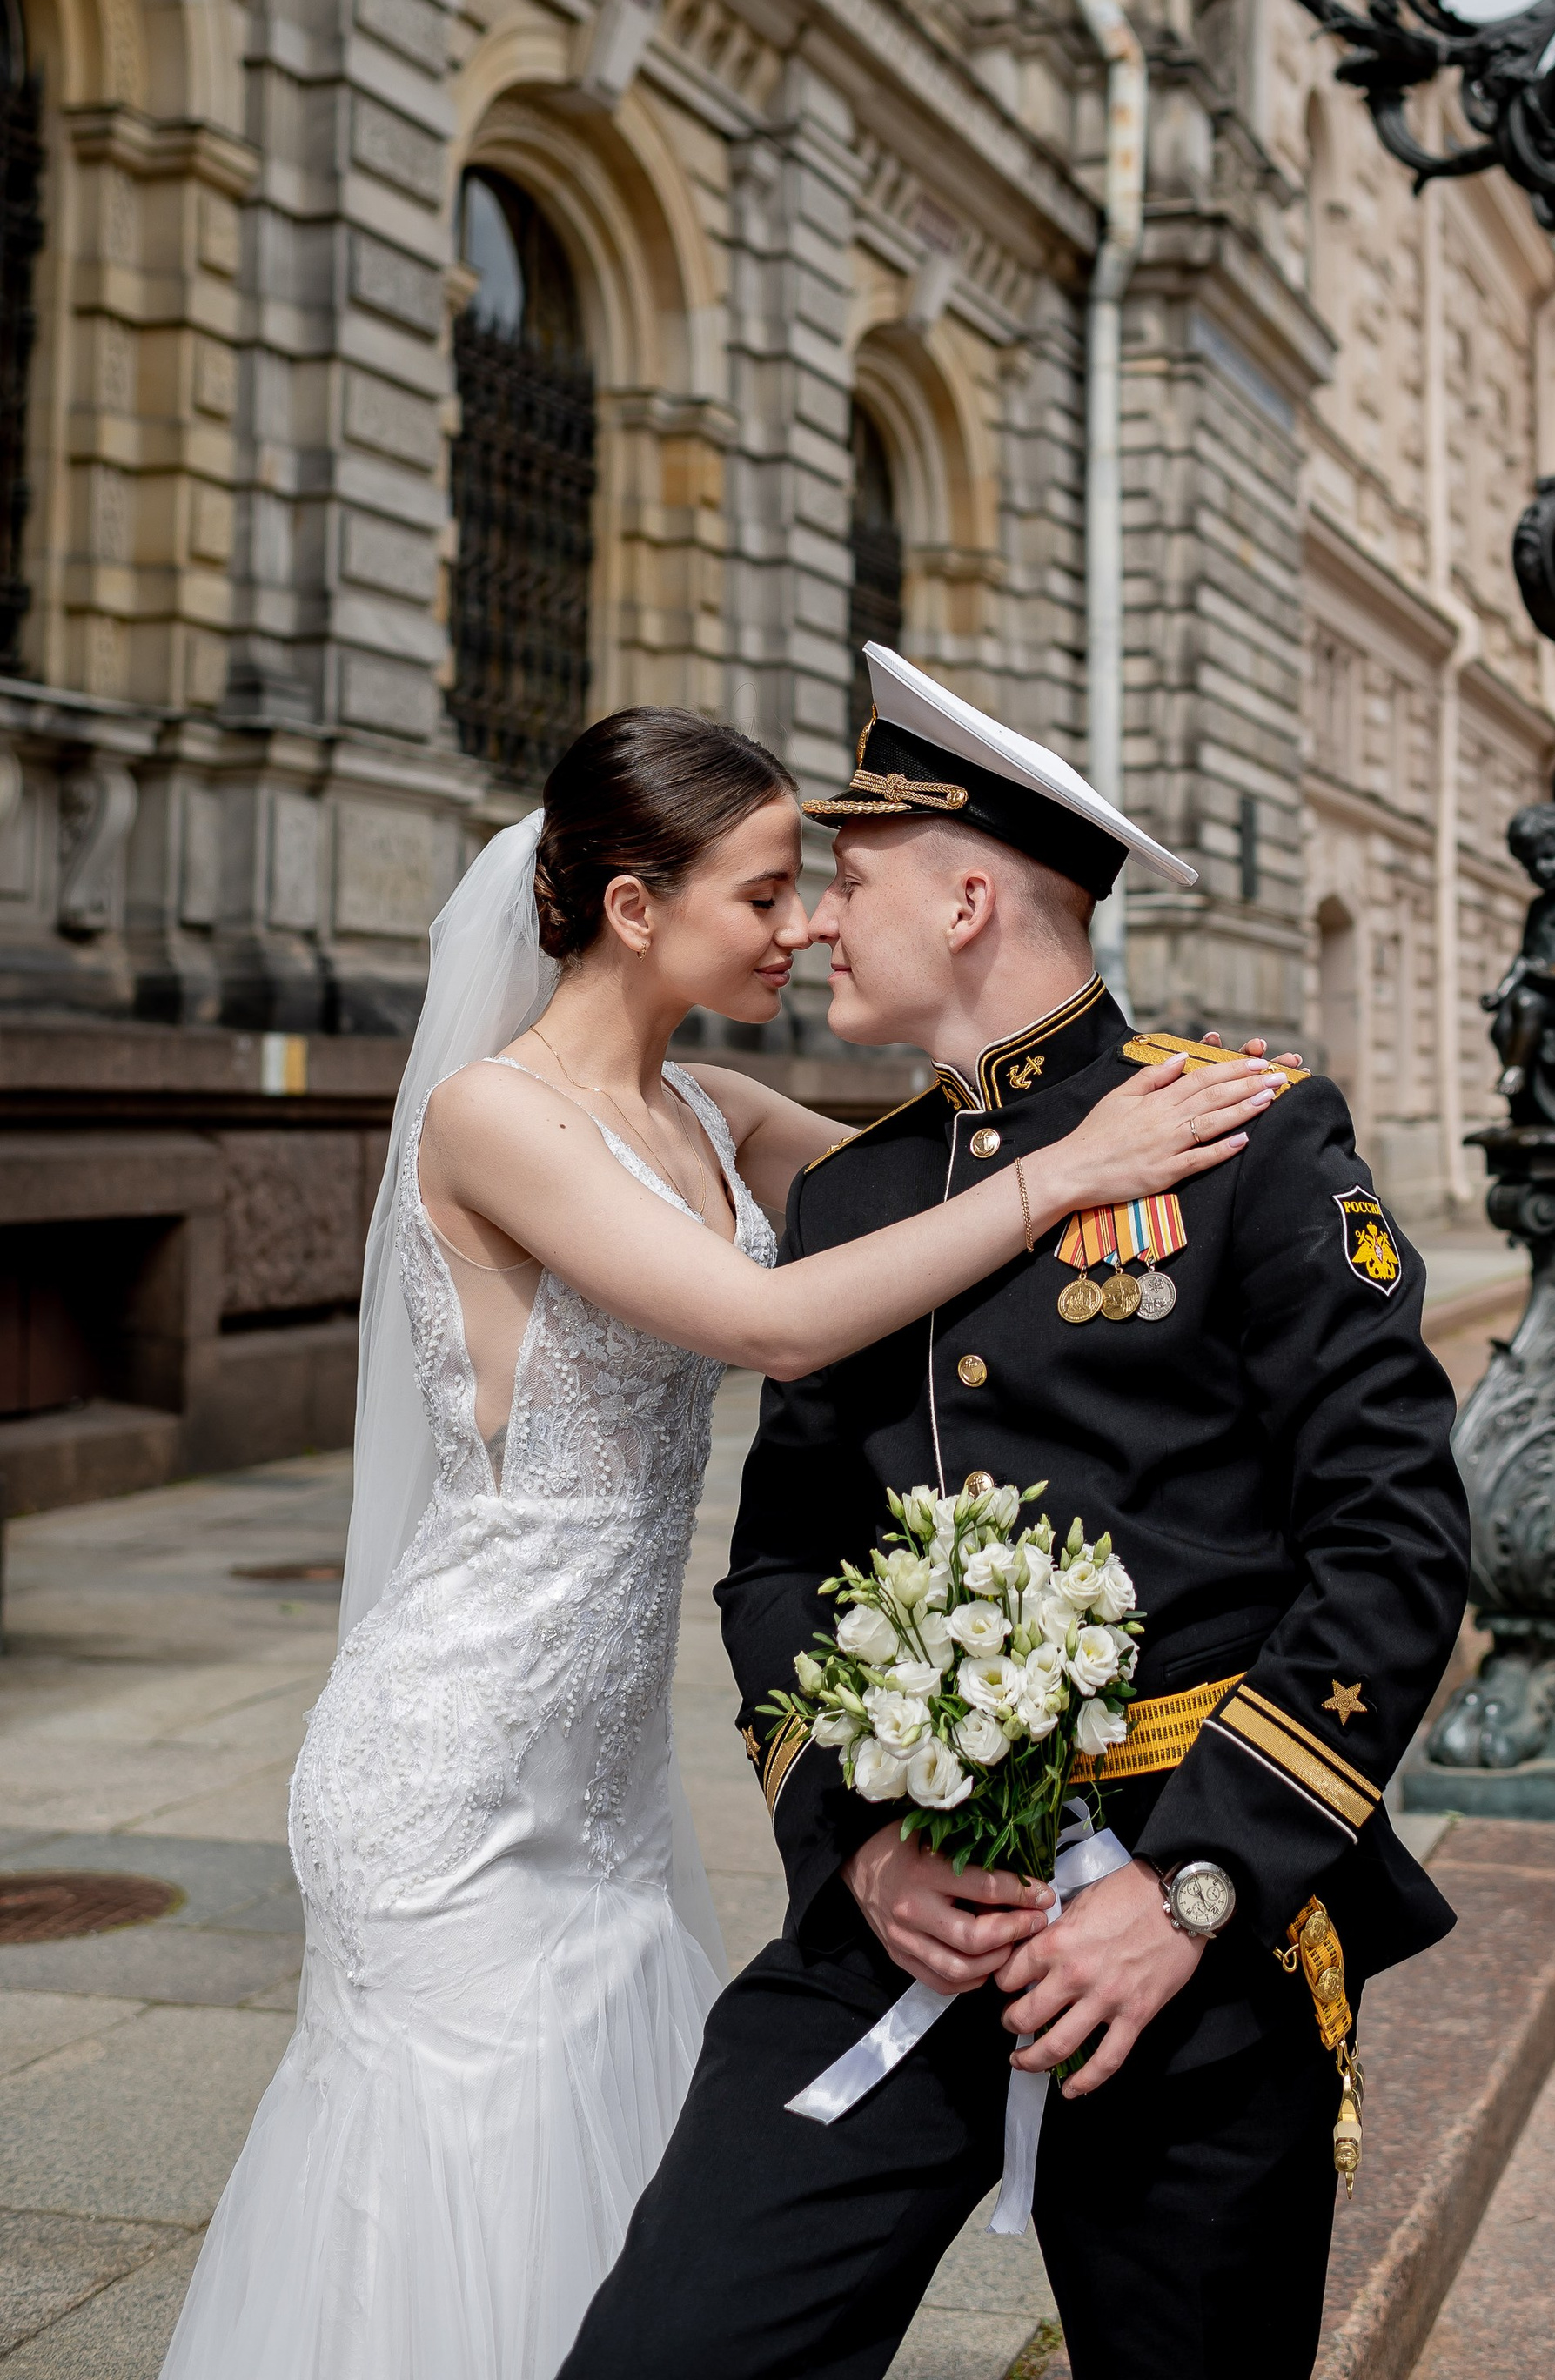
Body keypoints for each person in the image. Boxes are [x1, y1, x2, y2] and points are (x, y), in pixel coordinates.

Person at [161, 708, 1270, 2380]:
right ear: (632, 908)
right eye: (764, 893)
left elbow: (933, 1194)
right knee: (444, 2208)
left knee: (614, 2213)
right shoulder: (491, 1117)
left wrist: (1143, 1114)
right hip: (452, 1766)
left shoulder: (714, 1103)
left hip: (603, 1782)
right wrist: (1066, 1172)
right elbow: (776, 1318)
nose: (804, 924)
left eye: (811, 888)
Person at [562, 647, 1471, 2380]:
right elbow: (781, 1565)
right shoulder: (857, 1195)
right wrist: (861, 1844)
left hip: (1188, 1931)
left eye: (851, 880)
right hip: (906, 1909)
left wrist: (1195, 1882)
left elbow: (1393, 1539)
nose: (820, 922)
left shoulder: (1247, 1135)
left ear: (968, 899)